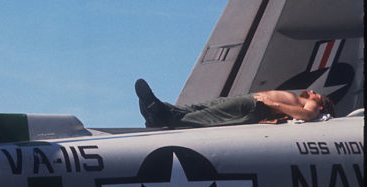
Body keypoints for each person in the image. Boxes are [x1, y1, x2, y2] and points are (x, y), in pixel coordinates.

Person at [135, 78, 334, 129]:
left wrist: (275, 105)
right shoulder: (303, 100)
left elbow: (306, 116)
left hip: (256, 106)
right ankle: (160, 108)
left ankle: (166, 119)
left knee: (211, 116)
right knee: (206, 106)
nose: (314, 92)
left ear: (322, 105)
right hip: (251, 100)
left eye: (318, 95)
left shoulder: (314, 108)